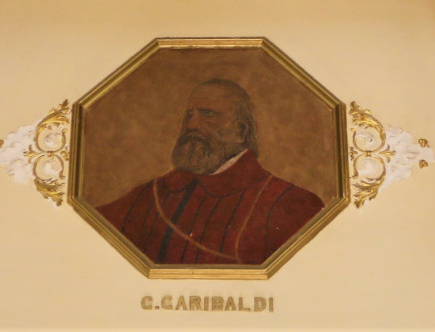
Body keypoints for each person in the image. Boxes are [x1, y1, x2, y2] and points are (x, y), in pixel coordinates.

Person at [98, 79, 325, 265]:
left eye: (208, 114)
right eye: (189, 115)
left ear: (240, 131)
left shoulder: (290, 204)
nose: (192, 125)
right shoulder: (151, 195)